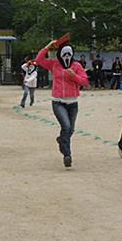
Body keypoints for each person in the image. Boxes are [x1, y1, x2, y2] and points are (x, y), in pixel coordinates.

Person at [35, 39, 88, 168]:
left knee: (71, 129)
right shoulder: (54, 64)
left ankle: (61, 140)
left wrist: (73, 76)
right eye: (64, 54)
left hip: (73, 102)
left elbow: (84, 81)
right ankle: (67, 155)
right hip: (58, 102)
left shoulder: (76, 66)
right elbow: (39, 60)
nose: (66, 57)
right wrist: (47, 46)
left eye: (69, 54)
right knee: (66, 126)